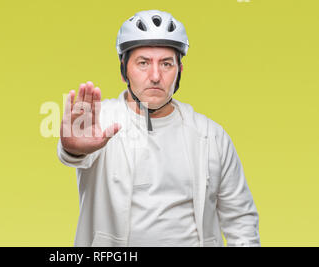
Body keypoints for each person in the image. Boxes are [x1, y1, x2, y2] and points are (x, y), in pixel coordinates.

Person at [57, 10, 260, 247]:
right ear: (124, 70)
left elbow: (240, 219)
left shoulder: (211, 135)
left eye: (166, 64)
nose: (155, 76)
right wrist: (72, 149)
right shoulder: (101, 120)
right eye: (143, 63)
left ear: (180, 71)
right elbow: (75, 154)